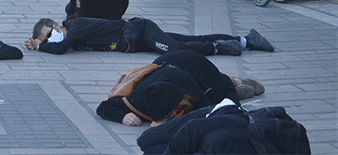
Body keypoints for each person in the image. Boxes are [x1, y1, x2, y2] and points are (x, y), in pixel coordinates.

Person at [96, 50, 246, 126]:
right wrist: (123, 117)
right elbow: (103, 107)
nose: (175, 115)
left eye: (177, 112)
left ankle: (231, 81)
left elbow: (208, 113)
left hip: (194, 65)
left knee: (224, 97)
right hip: (163, 68)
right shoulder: (138, 101)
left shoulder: (188, 88)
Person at [25, 16, 275, 57]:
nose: (51, 39)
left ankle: (222, 48)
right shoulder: (75, 35)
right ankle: (246, 39)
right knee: (189, 39)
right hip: (137, 38)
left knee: (176, 50)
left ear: (56, 24)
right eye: (46, 39)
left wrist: (39, 47)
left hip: (140, 31)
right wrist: (41, 43)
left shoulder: (75, 27)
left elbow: (59, 49)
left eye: (49, 34)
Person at [136, 101, 311, 155]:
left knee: (148, 144)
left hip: (224, 119)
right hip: (234, 119)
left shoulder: (196, 131)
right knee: (148, 143)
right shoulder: (197, 129)